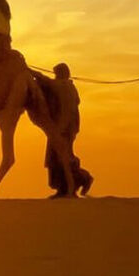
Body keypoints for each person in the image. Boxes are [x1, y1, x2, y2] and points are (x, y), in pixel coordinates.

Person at [35, 63, 93, 197]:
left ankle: (82, 179)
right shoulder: (69, 87)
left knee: (61, 158)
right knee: (56, 158)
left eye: (56, 74)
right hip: (64, 129)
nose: (55, 77)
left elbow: (47, 82)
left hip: (63, 129)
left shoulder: (64, 87)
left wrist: (28, 70)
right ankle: (63, 189)